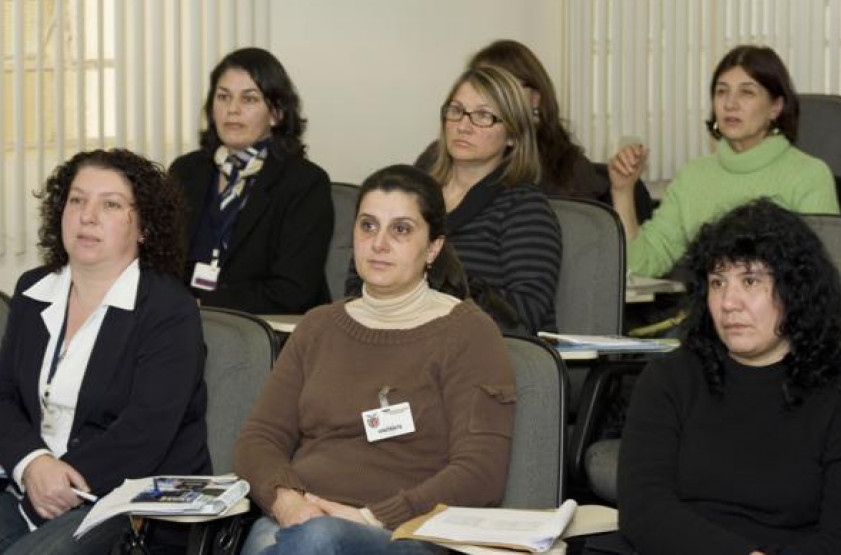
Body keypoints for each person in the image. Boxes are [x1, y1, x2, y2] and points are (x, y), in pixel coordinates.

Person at [235, 165, 515, 555]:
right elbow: (259, 439)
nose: (379, 243)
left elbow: (481, 473)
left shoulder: (468, 332)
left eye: (400, 229)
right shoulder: (317, 327)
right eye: (368, 226)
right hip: (302, 518)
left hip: (409, 531)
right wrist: (289, 503)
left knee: (314, 542)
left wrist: (372, 517)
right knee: (296, 540)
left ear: (433, 248)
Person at [0, 149, 211, 554]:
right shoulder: (35, 291)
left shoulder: (167, 310)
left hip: (127, 501)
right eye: (77, 200)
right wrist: (33, 464)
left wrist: (60, 481)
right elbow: (1, 395)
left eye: (110, 205)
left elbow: (145, 432)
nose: (87, 216)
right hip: (34, 483)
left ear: (144, 228)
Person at [618, 199, 841, 554]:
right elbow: (644, 509)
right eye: (717, 282)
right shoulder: (671, 378)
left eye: (750, 280)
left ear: (795, 290)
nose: (729, 302)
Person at [351, 66, 561, 334]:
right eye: (456, 110)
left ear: (513, 135)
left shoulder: (525, 208)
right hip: (390, 337)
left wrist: (427, 303)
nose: (463, 126)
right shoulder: (412, 193)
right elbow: (359, 279)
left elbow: (524, 313)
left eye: (483, 116)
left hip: (482, 353)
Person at [609, 44, 840, 278]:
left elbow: (819, 279)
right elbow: (641, 265)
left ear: (775, 107)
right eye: (721, 92)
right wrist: (623, 191)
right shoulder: (693, 176)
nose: (730, 104)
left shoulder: (809, 175)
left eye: (746, 92)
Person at [170, 47, 333, 314]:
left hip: (268, 329)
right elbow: (162, 262)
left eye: (249, 99)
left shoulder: (305, 183)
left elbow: (293, 290)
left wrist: (204, 304)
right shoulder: (186, 172)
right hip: (183, 323)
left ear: (276, 113)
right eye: (223, 97)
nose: (232, 110)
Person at [415, 39, 607, 201]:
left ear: (534, 99)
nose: (464, 126)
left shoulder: (566, 169)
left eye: (503, 86)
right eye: (482, 82)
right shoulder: (436, 157)